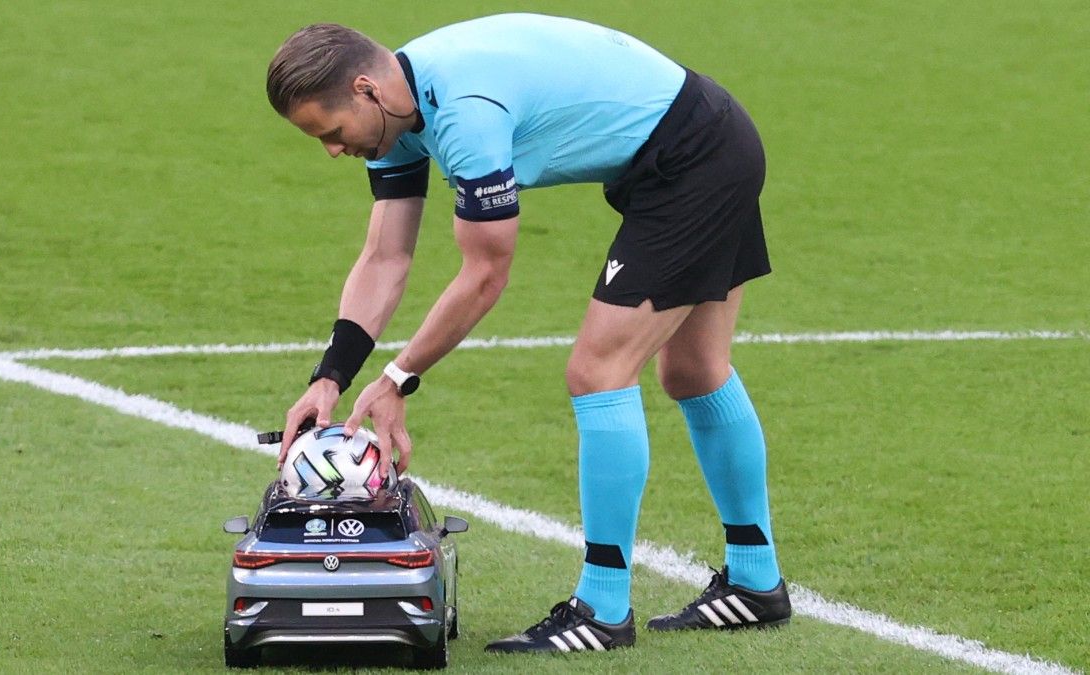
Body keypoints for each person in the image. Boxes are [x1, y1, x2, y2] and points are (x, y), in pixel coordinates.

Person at [266, 13, 791, 653]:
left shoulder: (464, 113)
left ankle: (601, 609)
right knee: (694, 371)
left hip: (694, 160)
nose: (331, 150)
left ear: (366, 90)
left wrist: (399, 378)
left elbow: (487, 272)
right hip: (704, 140)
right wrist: (331, 377)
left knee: (598, 372)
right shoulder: (396, 110)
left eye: (331, 131)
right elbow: (385, 257)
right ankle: (757, 581)